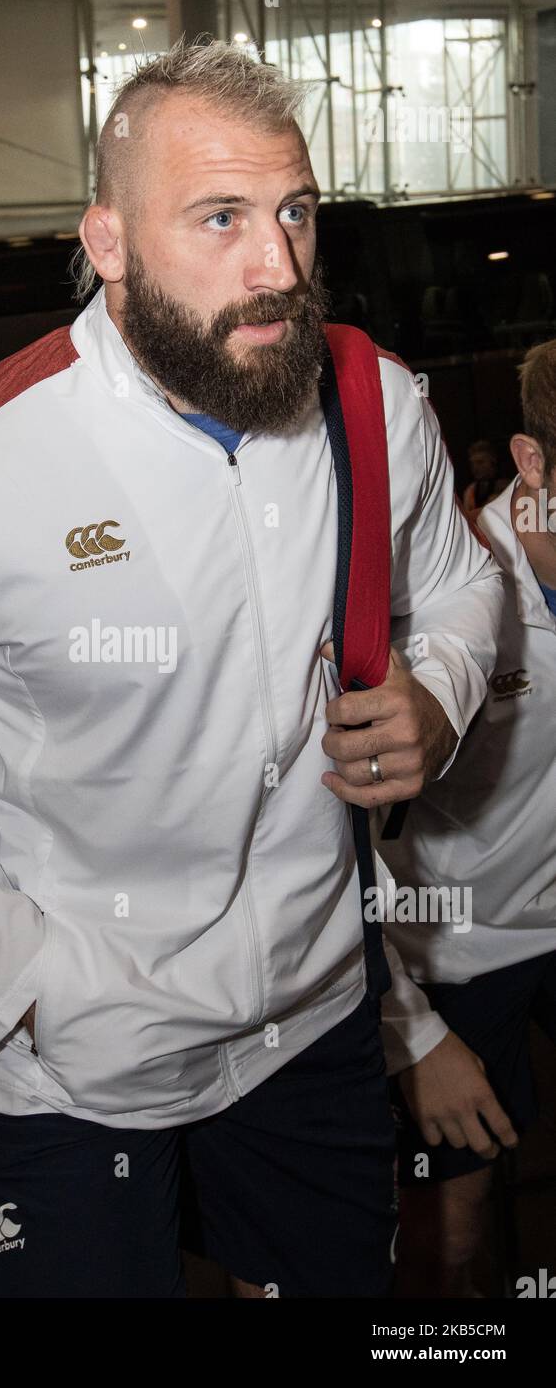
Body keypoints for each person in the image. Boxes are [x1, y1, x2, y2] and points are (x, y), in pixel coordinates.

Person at [0, 39, 502, 1299]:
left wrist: (439, 687)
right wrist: (24, 974)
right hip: (64, 1070)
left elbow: (457, 581)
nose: (275, 266)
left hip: (314, 1019)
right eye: (218, 217)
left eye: (293, 212)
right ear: (105, 242)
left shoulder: (370, 397)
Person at [376, 337, 556, 1297]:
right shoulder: (439, 610)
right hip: (456, 944)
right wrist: (406, 1026)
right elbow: (323, 845)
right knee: (451, 1231)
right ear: (531, 465)